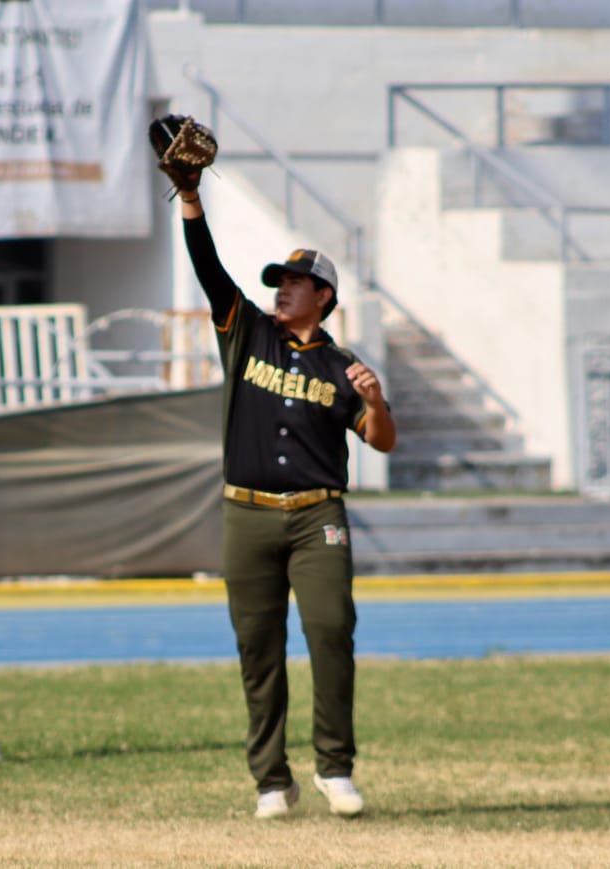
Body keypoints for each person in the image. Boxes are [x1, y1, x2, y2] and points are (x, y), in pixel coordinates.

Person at [175, 188, 396, 819]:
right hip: (247, 514)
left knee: (330, 629)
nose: (282, 290)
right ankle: (271, 780)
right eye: (279, 282)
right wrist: (190, 198)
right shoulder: (247, 332)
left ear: (324, 296)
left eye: (295, 283)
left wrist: (374, 402)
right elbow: (208, 267)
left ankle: (335, 768)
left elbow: (381, 440)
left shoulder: (343, 366)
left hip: (316, 515)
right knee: (258, 646)